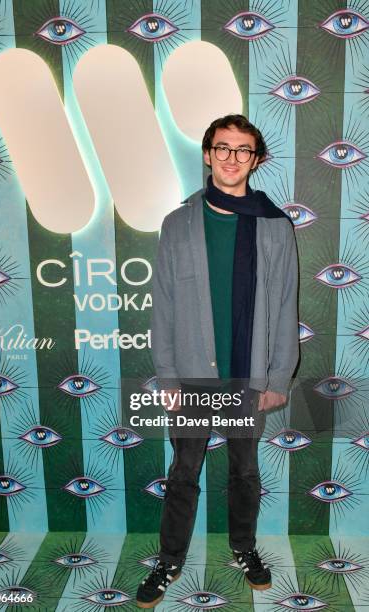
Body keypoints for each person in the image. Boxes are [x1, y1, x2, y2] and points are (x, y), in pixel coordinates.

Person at [136, 114, 299, 608]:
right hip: (190, 375)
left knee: (244, 472)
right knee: (184, 470)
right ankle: (169, 560)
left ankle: (244, 549)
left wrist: (277, 377)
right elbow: (163, 303)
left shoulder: (274, 225)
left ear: (257, 158)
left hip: (248, 374)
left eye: (242, 150)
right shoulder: (179, 223)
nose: (232, 158)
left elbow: (287, 303)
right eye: (222, 148)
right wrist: (167, 376)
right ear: (207, 155)